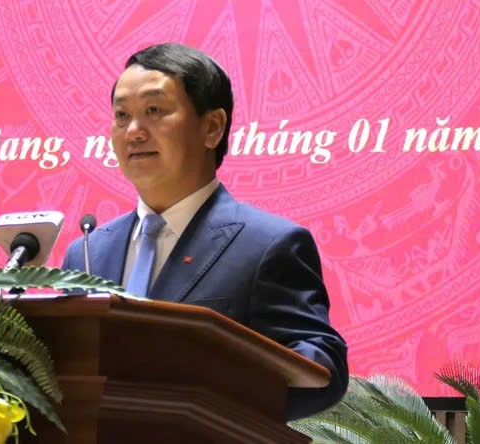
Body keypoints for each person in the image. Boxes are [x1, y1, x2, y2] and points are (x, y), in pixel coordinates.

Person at [61, 42, 348, 420]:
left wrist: (218, 384)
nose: (132, 131)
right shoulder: (86, 252)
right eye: (120, 115)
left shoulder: (268, 245)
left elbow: (321, 365)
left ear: (212, 127)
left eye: (153, 111)